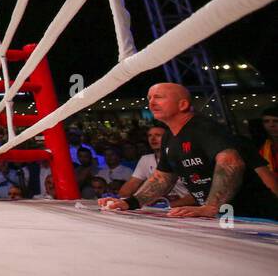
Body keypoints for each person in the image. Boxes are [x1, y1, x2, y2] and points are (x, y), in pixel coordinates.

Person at [100, 84, 278, 219]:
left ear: (183, 104)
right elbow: (162, 178)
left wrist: (211, 207)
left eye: (159, 97)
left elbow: (231, 162)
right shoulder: (170, 136)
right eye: (149, 98)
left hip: (256, 215)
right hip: (227, 218)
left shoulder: (203, 128)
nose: (151, 102)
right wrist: (129, 203)